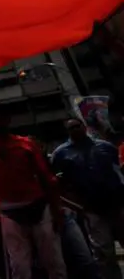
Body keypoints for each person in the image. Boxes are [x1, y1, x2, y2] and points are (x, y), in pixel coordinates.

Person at [0, 72, 66, 279]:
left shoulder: (26, 144)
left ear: (8, 120)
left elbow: (47, 179)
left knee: (53, 260)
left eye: (1, 118)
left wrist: (56, 211)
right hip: (9, 211)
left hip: (37, 206)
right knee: (19, 266)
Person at [52, 118, 124, 279]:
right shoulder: (61, 154)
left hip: (117, 204)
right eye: (71, 128)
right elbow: (59, 183)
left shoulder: (105, 147)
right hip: (92, 208)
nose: (75, 130)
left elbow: (118, 171)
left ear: (84, 127)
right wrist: (77, 205)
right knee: (104, 252)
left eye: (78, 126)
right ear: (67, 131)